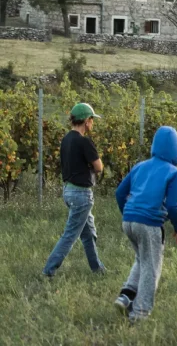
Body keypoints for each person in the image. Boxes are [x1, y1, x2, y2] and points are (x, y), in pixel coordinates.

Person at [113, 126, 177, 323]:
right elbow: (172, 205)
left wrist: (128, 214)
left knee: (141, 258)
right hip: (150, 224)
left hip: (128, 221)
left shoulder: (140, 166)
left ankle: (126, 295)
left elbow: (119, 193)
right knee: (151, 268)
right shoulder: (174, 173)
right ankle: (140, 314)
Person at [42, 103, 106, 278]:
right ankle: (48, 270)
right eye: (92, 120)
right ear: (86, 121)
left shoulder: (66, 139)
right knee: (70, 235)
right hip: (82, 194)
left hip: (68, 190)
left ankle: (97, 269)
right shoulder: (84, 141)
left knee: (89, 234)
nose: (92, 124)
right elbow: (99, 167)